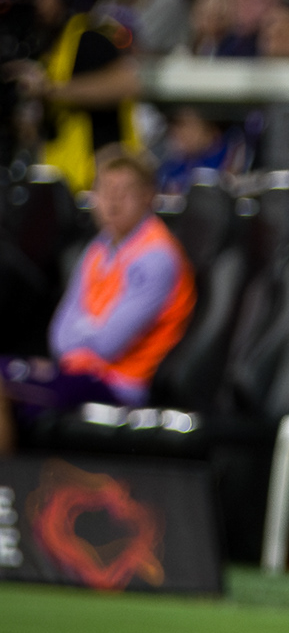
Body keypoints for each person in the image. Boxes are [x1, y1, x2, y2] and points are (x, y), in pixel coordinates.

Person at [0, 146, 195, 454]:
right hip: (77, 371)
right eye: (105, 191)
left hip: (120, 384)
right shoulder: (98, 248)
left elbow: (109, 343)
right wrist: (88, 332)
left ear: (148, 196)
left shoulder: (157, 256)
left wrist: (84, 333)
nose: (112, 203)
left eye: (125, 192)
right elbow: (59, 335)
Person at [6, 0, 140, 191]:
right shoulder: (41, 49)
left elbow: (127, 83)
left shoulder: (86, 36)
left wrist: (49, 90)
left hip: (102, 175)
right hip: (61, 175)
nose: (33, 4)